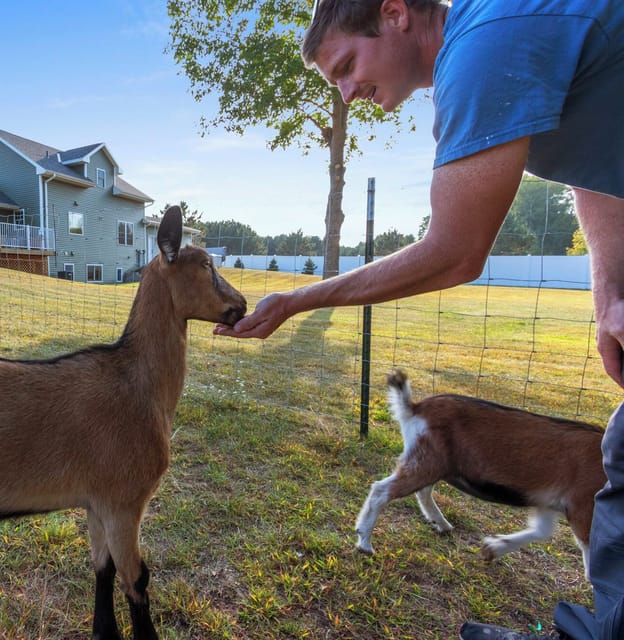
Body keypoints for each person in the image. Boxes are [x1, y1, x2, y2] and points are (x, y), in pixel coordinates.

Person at [213, 0, 624, 638]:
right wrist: (611, 296)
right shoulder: (499, 42)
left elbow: (454, 252)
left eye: (347, 65)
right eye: (335, 85)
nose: (347, 94)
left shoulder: (479, 52)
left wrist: (295, 300)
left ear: (397, 13)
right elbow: (601, 165)